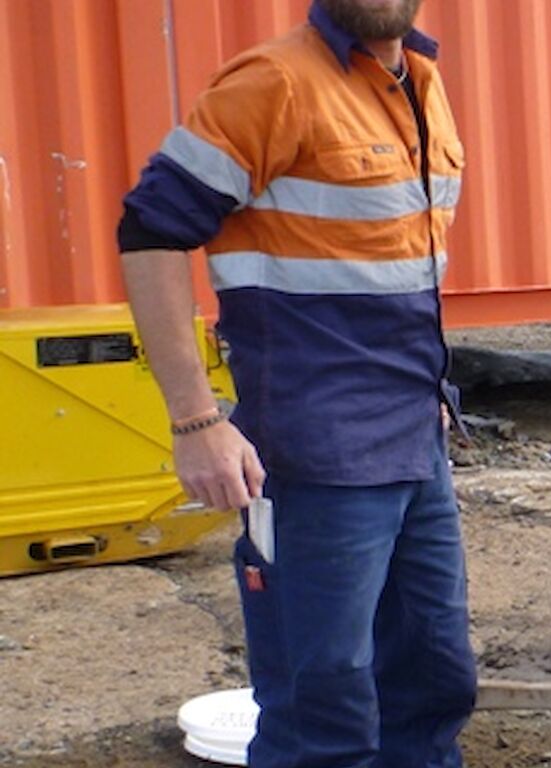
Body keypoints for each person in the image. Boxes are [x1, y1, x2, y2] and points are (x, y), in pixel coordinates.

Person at [117, 0, 474, 765]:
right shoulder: (274, 82)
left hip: (416, 438)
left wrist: (427, 389)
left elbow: (396, 258)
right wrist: (195, 420)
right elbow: (150, 230)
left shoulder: (421, 78)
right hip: (317, 454)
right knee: (324, 712)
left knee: (433, 684)